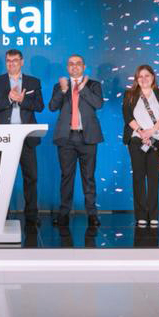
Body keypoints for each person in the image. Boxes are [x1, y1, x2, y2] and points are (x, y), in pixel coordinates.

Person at [0, 49, 44, 226]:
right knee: (2, 178)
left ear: (22, 62)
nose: (11, 63)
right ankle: (1, 215)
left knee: (31, 177)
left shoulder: (33, 82)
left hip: (26, 136)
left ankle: (32, 215)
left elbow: (40, 106)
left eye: (15, 60)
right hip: (4, 137)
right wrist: (9, 99)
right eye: (8, 60)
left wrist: (21, 100)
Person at [49, 54, 104, 227]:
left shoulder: (93, 85)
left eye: (78, 63)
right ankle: (64, 213)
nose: (74, 66)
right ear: (67, 67)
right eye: (71, 64)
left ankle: (92, 214)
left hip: (88, 137)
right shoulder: (59, 86)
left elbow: (98, 104)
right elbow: (52, 107)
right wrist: (63, 90)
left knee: (89, 177)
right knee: (67, 177)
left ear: (84, 66)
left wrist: (82, 88)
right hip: (66, 138)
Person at [122, 64, 159, 227]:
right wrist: (141, 132)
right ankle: (141, 215)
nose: (143, 79)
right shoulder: (129, 94)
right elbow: (127, 116)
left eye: (147, 75)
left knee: (154, 178)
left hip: (154, 140)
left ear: (153, 77)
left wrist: (151, 132)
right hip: (136, 140)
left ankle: (153, 215)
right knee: (138, 178)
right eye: (140, 76)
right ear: (136, 79)